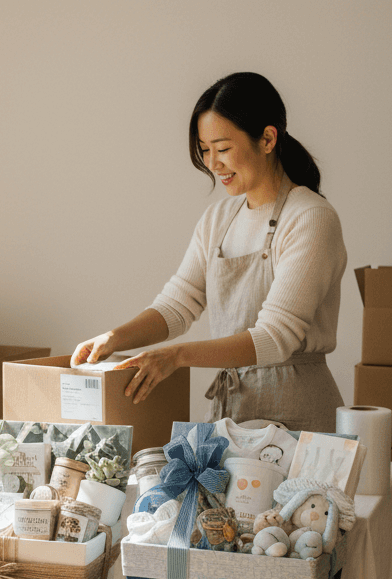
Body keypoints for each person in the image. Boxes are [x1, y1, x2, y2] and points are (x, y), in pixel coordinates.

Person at [72, 72, 347, 433]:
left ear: (267, 138)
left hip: (298, 418)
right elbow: (178, 305)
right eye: (205, 150)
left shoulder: (310, 218)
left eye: (223, 148)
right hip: (231, 412)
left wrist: (178, 356)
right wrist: (114, 338)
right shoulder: (219, 218)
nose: (213, 164)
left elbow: (274, 338)